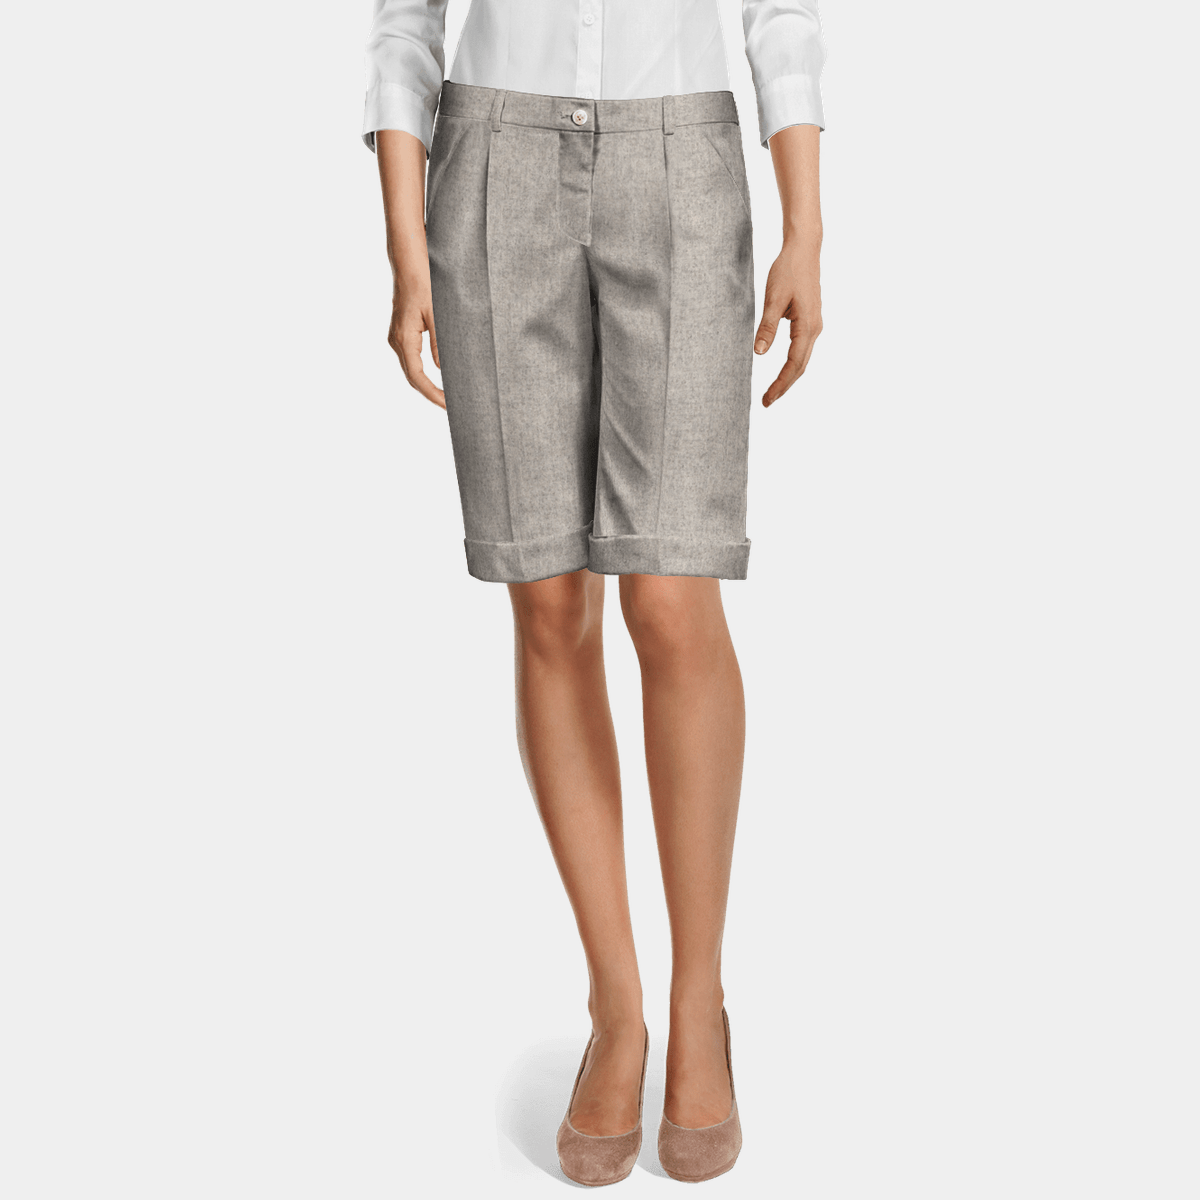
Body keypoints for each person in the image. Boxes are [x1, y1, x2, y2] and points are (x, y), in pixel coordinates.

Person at [362, 0, 824, 1183]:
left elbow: (780, 9)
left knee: (670, 596)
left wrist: (806, 221)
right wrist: (405, 236)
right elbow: (405, 22)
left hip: (681, 164)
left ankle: (699, 1000)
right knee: (549, 601)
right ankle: (617, 1010)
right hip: (490, 164)